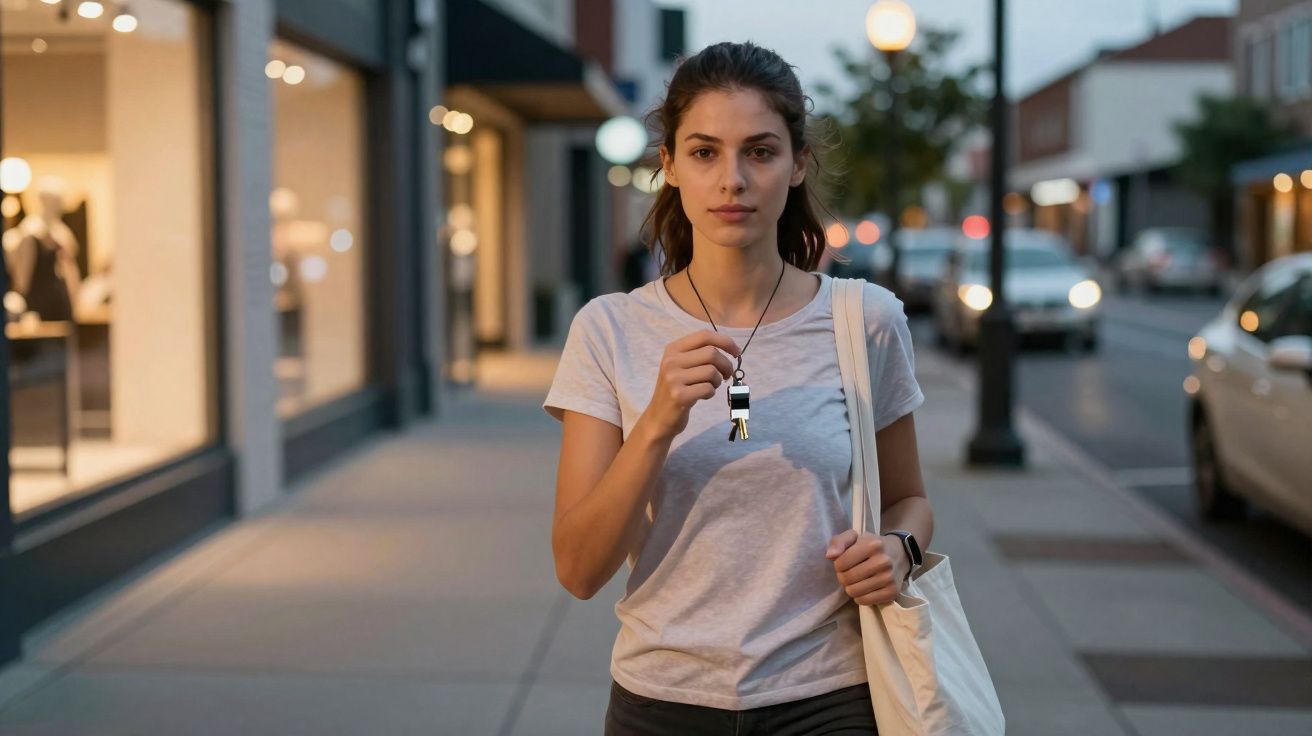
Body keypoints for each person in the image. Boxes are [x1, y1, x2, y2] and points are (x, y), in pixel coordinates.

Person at [543, 41, 932, 735]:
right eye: (704, 152)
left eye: (760, 151)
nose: (733, 180)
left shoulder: (864, 320)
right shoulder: (609, 329)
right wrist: (658, 423)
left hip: (830, 694)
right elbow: (578, 567)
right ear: (667, 166)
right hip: (661, 699)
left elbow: (911, 498)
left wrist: (898, 549)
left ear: (798, 163)